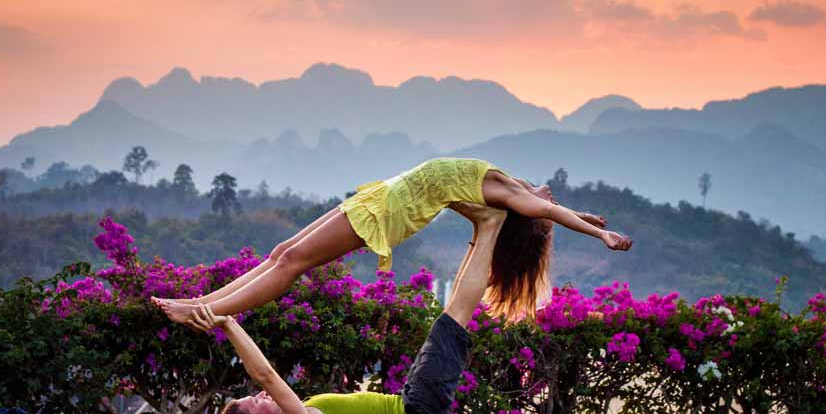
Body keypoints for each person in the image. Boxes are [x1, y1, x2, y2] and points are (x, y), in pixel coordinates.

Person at [187, 203, 527, 414]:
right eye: (255, 401)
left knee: (450, 317)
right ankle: (490, 226)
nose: (261, 393)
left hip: (411, 407)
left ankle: (484, 228)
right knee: (453, 322)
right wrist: (228, 322)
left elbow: (265, 381)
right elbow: (265, 375)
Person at [154, 157, 631, 324]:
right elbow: (550, 206)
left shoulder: (517, 198)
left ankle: (206, 313)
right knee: (283, 252)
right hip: (380, 196)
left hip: (389, 213)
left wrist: (599, 233)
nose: (551, 197)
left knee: (294, 261)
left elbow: (548, 210)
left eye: (547, 209)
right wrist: (585, 216)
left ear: (529, 216)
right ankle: (201, 301)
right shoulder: (518, 190)